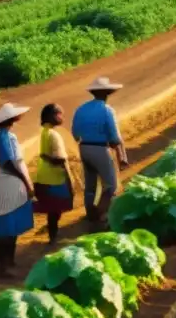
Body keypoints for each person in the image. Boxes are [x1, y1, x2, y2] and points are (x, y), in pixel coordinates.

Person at [72, 77, 128, 225]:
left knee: (90, 186)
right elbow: (114, 137)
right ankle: (100, 212)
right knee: (110, 185)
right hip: (100, 149)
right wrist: (120, 153)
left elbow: (75, 133)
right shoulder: (107, 110)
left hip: (84, 147)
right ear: (107, 93)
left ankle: (90, 213)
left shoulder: (81, 109)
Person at [0, 103, 34, 278]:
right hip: (10, 181)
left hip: (11, 180)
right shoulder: (4, 137)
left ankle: (9, 262)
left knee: (11, 225)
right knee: (7, 226)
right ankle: (4, 267)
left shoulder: (5, 135)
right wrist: (26, 182)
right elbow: (10, 163)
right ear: (11, 119)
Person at [33, 103, 75, 244]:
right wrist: (70, 179)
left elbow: (45, 155)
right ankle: (54, 237)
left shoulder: (44, 132)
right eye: (60, 114)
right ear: (52, 116)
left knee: (52, 209)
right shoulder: (54, 134)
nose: (62, 117)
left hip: (43, 176)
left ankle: (52, 235)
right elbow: (61, 160)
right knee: (56, 209)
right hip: (55, 178)